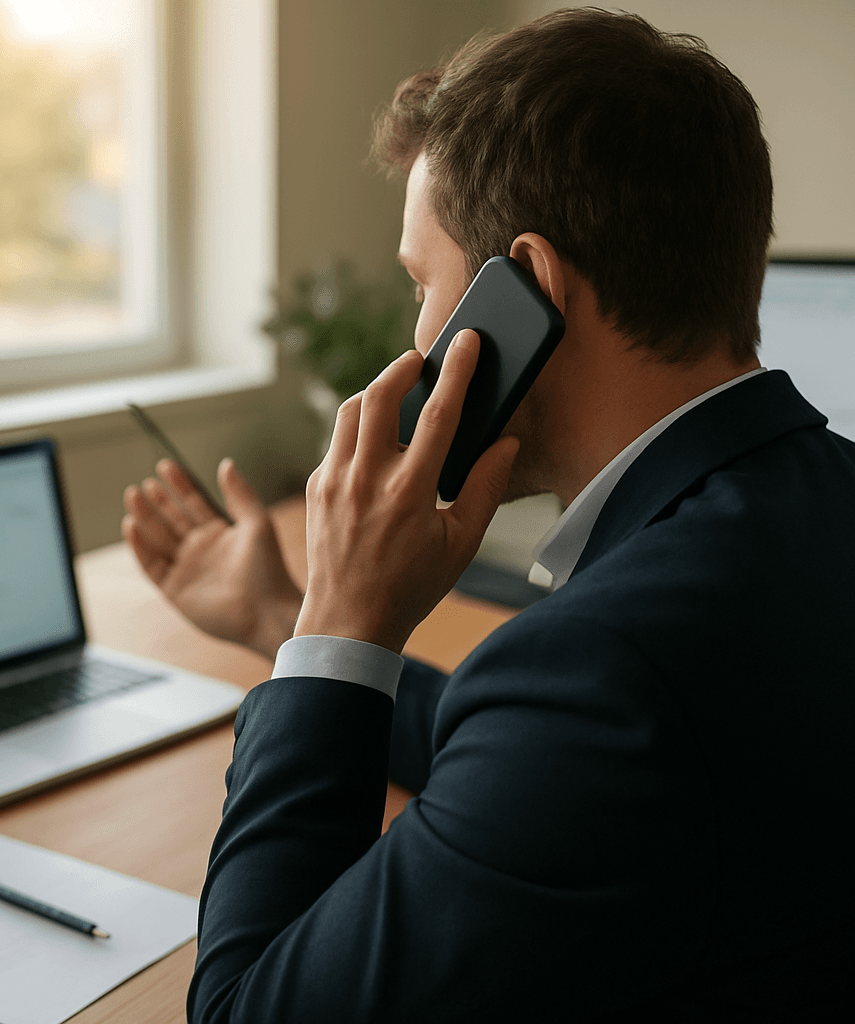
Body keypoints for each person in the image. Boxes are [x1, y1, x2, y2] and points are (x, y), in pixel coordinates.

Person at [123, 9, 855, 1022]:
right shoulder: (806, 510)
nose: (420, 339)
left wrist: (339, 629)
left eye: (423, 283)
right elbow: (530, 762)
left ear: (527, 293)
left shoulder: (604, 673)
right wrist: (280, 619)